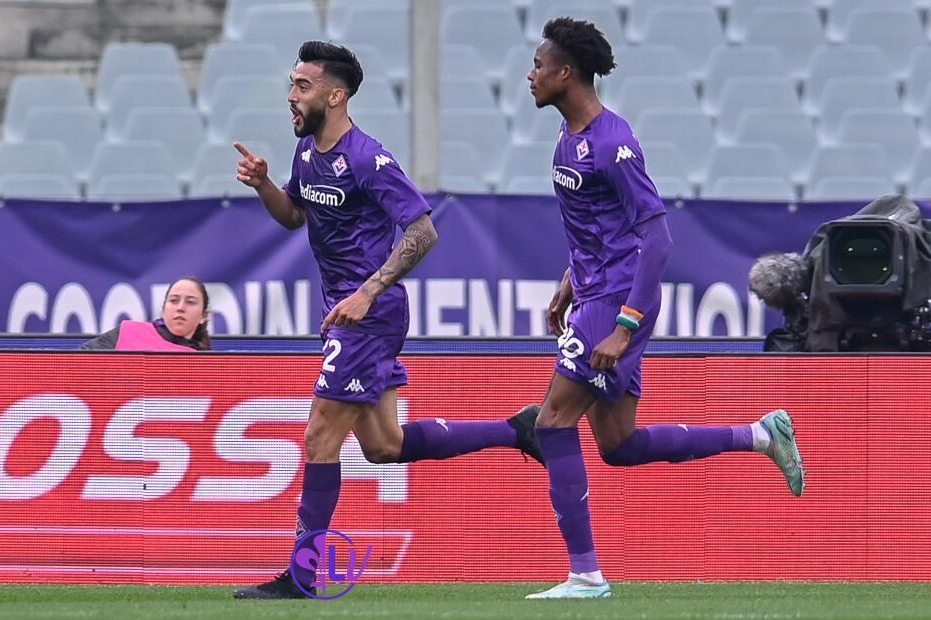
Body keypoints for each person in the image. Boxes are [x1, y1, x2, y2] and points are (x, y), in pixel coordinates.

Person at [230, 41, 543, 600]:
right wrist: (265, 187)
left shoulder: (368, 159)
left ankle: (302, 577)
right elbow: (295, 217)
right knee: (383, 446)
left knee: (318, 438)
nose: (291, 96)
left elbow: (423, 231)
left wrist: (368, 291)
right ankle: (517, 429)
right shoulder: (307, 154)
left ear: (336, 94)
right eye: (292, 84)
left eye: (302, 86)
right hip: (350, 313)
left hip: (369, 316)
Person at [519, 18, 806, 599]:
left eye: (539, 66)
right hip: (595, 290)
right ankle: (759, 435)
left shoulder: (613, 143)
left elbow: (658, 240)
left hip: (616, 302)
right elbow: (604, 228)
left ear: (565, 73)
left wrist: (623, 327)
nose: (531, 76)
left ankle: (585, 575)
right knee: (619, 446)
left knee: (552, 423)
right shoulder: (568, 138)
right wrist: (570, 277)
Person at [81, 276, 211, 351]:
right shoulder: (128, 331)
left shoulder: (204, 361)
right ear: (163, 309)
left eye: (190, 302)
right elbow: (77, 361)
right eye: (174, 300)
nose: (180, 308)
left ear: (203, 316)